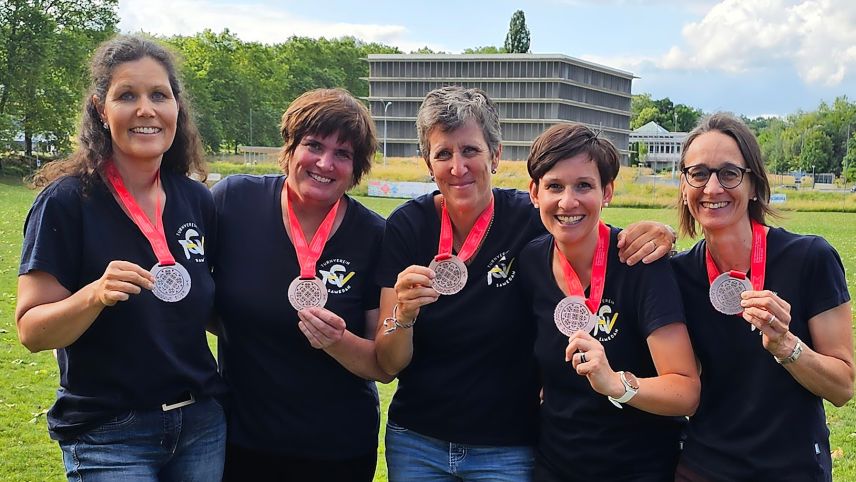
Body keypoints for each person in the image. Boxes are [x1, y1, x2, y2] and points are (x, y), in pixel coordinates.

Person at [374, 86, 676, 481]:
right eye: (443, 154)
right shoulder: (407, 226)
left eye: (470, 150)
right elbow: (388, 364)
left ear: (496, 155)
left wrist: (662, 232)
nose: (458, 167)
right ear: (427, 163)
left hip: (507, 445)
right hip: (418, 440)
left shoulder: (532, 220)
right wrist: (404, 315)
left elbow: (589, 230)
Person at [15, 35, 225, 481]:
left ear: (176, 108)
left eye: (159, 95)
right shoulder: (66, 202)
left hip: (201, 426)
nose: (146, 110)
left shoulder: (196, 200)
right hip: (110, 433)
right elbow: (31, 331)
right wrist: (94, 295)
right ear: (100, 109)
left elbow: (212, 309)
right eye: (127, 95)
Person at [212, 88, 392, 481]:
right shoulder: (234, 202)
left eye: (343, 154)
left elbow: (383, 364)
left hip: (336, 450)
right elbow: (198, 298)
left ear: (356, 167)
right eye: (314, 145)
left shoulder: (375, 235)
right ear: (291, 147)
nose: (325, 163)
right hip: (241, 442)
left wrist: (337, 341)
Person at [670, 113, 854, 481]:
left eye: (729, 174)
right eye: (699, 173)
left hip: (791, 468)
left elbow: (843, 386)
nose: (712, 188)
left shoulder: (810, 259)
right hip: (704, 468)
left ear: (754, 185)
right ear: (685, 186)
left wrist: (787, 346)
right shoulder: (677, 274)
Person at [519, 123, 699, 481]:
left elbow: (685, 390)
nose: (568, 202)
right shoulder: (531, 262)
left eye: (584, 185)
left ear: (608, 192)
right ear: (534, 193)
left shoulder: (640, 264)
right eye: (554, 186)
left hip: (638, 469)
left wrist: (617, 383)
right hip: (555, 466)